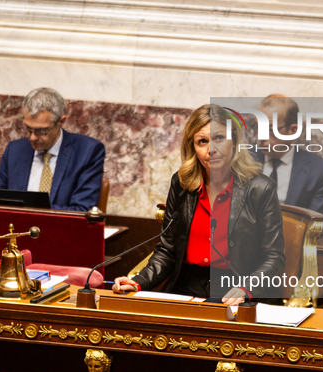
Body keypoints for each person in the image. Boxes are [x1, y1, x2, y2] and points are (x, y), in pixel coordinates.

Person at [112, 104, 285, 305]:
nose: (211, 149)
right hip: (186, 287)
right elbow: (167, 250)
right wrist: (137, 282)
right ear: (192, 148)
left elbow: (274, 257)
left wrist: (247, 288)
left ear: (234, 142)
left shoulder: (260, 189)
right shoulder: (181, 184)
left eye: (219, 138)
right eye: (202, 142)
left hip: (237, 287)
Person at [0, 87, 105, 211]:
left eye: (41, 131)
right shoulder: (14, 151)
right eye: (28, 129)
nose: (33, 137)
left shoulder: (87, 152)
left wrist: (29, 210)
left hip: (61, 229)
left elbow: (82, 211)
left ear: (61, 121)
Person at [253, 95, 323, 229]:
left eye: (270, 130)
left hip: (294, 246)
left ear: (293, 130)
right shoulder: (243, 161)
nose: (261, 137)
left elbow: (318, 226)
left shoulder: (317, 169)